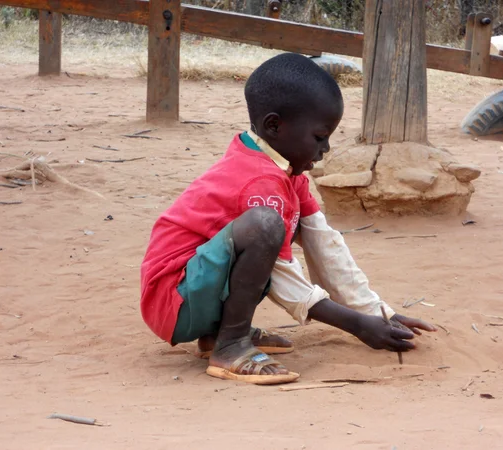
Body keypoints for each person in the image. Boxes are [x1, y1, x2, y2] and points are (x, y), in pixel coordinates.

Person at [141, 53, 436, 385]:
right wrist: (356, 325)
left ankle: (217, 335)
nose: (325, 148)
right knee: (264, 227)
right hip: (173, 298)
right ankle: (231, 345)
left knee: (264, 231)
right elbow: (283, 278)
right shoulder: (261, 183)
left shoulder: (285, 170)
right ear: (274, 126)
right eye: (319, 136)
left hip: (191, 292)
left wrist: (379, 313)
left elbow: (324, 244)